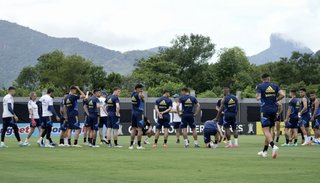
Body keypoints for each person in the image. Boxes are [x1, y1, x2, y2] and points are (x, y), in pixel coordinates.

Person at [256, 74, 284, 159]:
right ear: (269, 78)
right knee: (270, 130)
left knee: (265, 131)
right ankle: (264, 151)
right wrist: (275, 99)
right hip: (274, 110)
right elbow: (282, 95)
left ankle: (273, 146)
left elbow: (258, 97)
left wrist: (259, 96)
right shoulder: (275, 86)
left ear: (262, 79)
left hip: (265, 110)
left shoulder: (260, 86)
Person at [129, 84, 145, 150]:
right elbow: (142, 97)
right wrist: (142, 93)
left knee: (133, 129)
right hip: (139, 113)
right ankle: (139, 145)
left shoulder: (132, 94)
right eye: (140, 89)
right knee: (140, 129)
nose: (141, 90)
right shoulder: (138, 94)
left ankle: (131, 145)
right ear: (137, 88)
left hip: (133, 112)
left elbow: (142, 100)